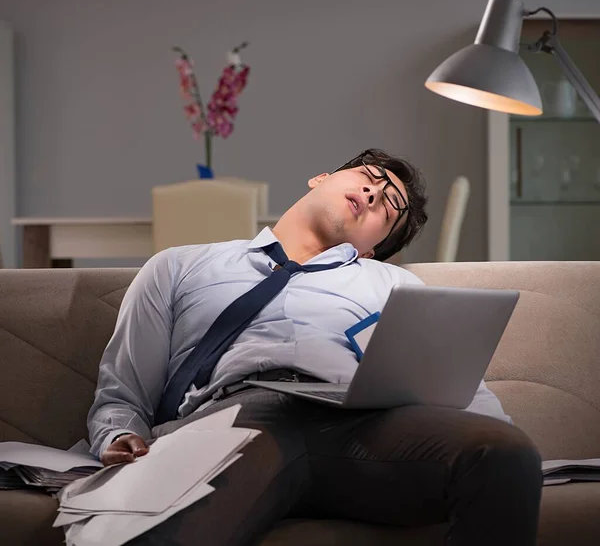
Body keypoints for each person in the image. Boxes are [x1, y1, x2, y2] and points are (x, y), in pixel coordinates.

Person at [88, 149, 542, 546]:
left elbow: (461, 393)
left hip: (364, 425)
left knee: (503, 453)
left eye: (389, 207)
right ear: (321, 179)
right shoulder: (178, 266)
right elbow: (123, 392)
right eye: (371, 179)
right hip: (239, 415)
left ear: (375, 248)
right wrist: (117, 435)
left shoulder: (395, 284)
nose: (374, 195)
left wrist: (505, 439)